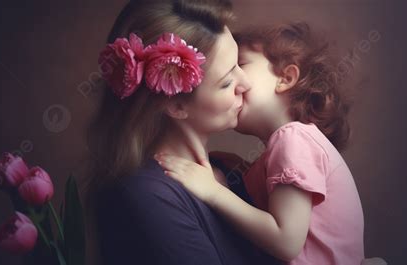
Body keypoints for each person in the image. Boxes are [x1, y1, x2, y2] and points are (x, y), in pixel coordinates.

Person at [84, 0, 278, 264]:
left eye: (239, 65)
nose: (245, 84)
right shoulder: (147, 197)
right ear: (175, 104)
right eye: (227, 81)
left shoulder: (226, 169)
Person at [155, 22, 365, 264]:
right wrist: (239, 171)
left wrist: (213, 191)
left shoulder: (293, 139)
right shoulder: (292, 143)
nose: (239, 82)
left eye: (241, 65)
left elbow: (286, 242)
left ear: (286, 78)